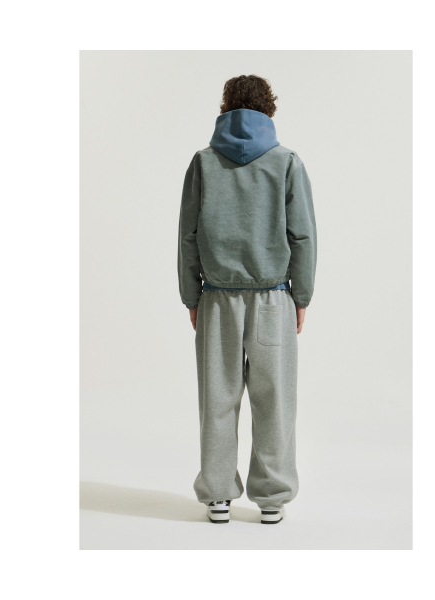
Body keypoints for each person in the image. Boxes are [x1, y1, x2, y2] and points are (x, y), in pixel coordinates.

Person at [178, 74, 317, 524]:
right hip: (273, 298)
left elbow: (187, 236)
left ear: (226, 107)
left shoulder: (203, 162)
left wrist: (191, 295)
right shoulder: (286, 162)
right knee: (274, 399)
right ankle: (272, 497)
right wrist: (301, 295)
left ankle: (218, 496)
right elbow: (302, 236)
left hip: (217, 298)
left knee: (217, 397)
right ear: (268, 108)